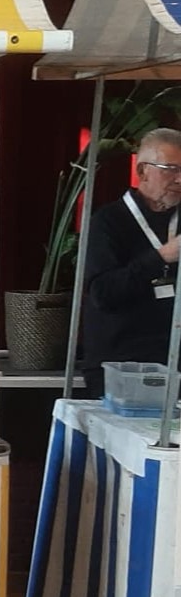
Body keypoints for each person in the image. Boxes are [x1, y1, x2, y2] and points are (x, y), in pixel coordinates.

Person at [82, 128, 181, 398]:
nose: (179, 178)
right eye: (171, 169)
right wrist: (161, 257)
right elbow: (103, 294)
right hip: (120, 365)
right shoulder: (108, 222)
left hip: (173, 363)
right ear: (142, 171)